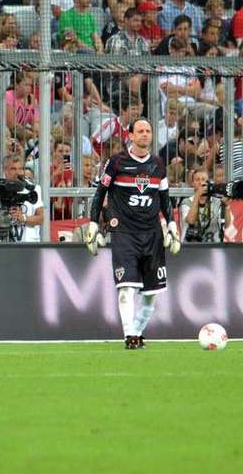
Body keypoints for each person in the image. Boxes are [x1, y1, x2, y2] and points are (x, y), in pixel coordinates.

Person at [84, 119, 180, 350]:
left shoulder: (158, 164)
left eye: (148, 131)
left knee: (151, 294)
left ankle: (137, 332)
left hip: (153, 235)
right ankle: (130, 336)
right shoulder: (116, 162)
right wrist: (93, 224)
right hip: (124, 233)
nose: (145, 135)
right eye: (140, 131)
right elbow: (100, 193)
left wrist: (172, 226)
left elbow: (165, 199)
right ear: (131, 135)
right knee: (126, 287)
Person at [181, 167, 232, 243]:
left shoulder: (217, 202)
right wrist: (197, 196)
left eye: (204, 179)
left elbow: (226, 225)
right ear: (192, 183)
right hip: (190, 247)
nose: (201, 183)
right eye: (197, 180)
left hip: (213, 247)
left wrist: (227, 206)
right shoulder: (186, 202)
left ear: (209, 182)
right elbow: (191, 221)